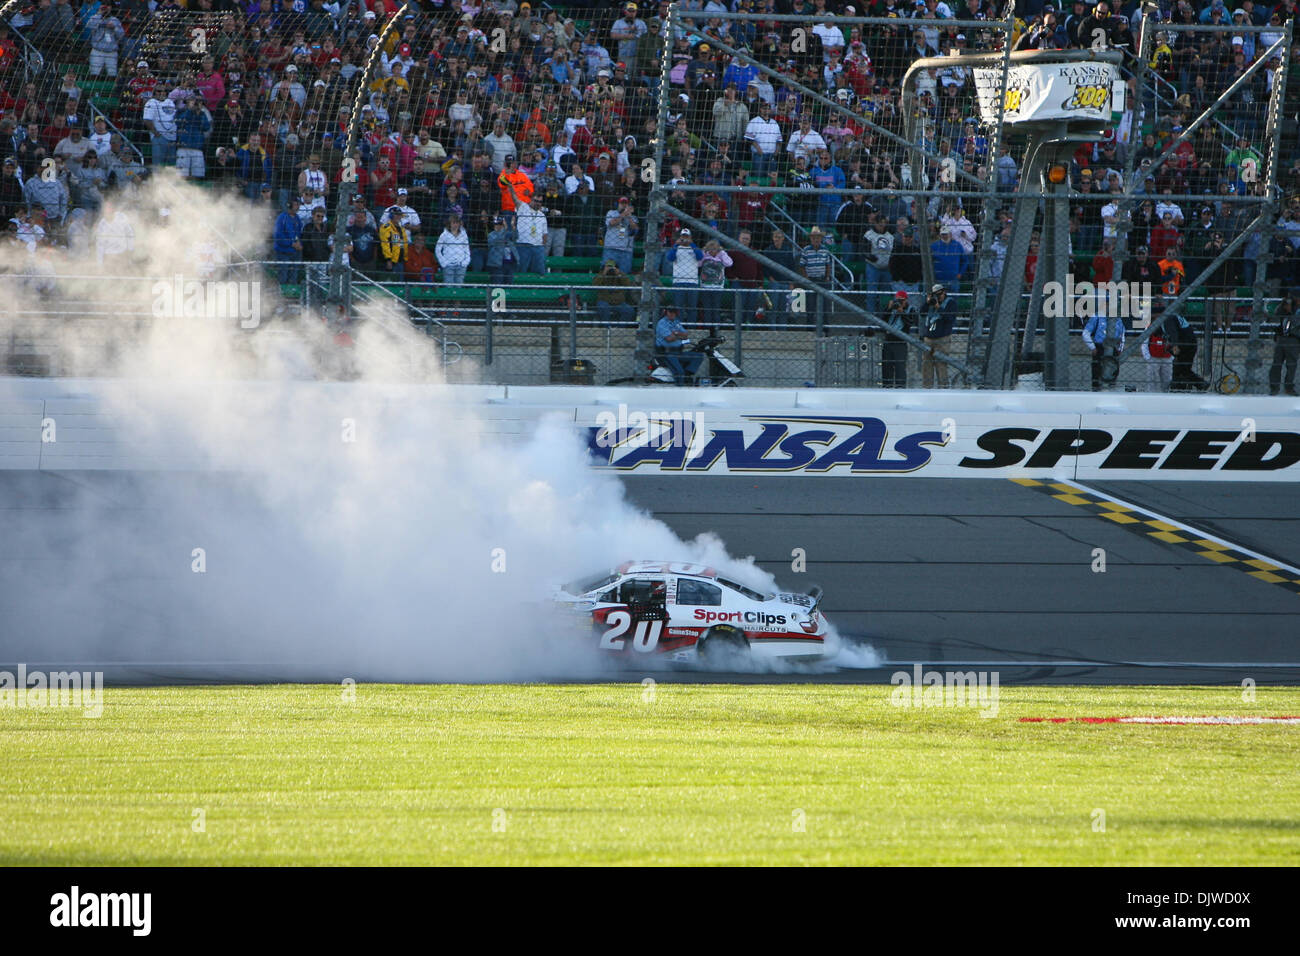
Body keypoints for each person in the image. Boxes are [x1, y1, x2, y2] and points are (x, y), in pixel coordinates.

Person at [920, 283, 956, 388]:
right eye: (935, 295)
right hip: (929, 338)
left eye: (939, 294)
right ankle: (927, 388)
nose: (937, 297)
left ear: (944, 292)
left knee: (941, 365)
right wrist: (927, 303)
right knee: (927, 365)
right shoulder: (930, 303)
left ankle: (943, 388)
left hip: (942, 338)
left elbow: (950, 319)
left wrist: (938, 307)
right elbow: (921, 313)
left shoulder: (950, 303)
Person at [655, 304, 701, 385]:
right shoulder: (662, 323)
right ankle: (679, 386)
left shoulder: (676, 322)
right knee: (679, 372)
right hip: (667, 353)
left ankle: (688, 374)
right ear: (666, 312)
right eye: (670, 312)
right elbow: (669, 339)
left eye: (674, 312)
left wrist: (675, 333)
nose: (672, 314)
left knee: (698, 356)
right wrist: (680, 335)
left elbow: (686, 335)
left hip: (678, 352)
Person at [666, 228, 703, 323]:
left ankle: (692, 327)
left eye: (687, 237)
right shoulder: (676, 248)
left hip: (692, 281)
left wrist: (692, 244)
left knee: (692, 307)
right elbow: (670, 258)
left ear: (690, 237)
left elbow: (700, 257)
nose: (684, 239)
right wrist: (676, 244)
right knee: (678, 307)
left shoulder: (694, 248)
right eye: (683, 237)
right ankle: (679, 326)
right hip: (678, 281)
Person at [1083, 311, 1126, 391]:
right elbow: (1085, 333)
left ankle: (1111, 390)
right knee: (1097, 372)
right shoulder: (1097, 316)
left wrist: (1120, 348)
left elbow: (1122, 334)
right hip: (1100, 347)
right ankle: (1096, 390)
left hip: (1114, 347)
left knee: (1113, 372)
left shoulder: (1118, 318)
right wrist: (1092, 347)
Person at [880, 291, 915, 388]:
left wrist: (901, 312)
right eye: (897, 300)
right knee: (887, 367)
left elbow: (910, 323)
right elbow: (882, 321)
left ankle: (900, 388)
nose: (899, 303)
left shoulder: (910, 309)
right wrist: (888, 308)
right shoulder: (891, 309)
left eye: (901, 300)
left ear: (906, 300)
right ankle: (887, 386)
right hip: (888, 340)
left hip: (900, 341)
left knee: (900, 367)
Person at [1268, 295, 1300, 396]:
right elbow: (1275, 321)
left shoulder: (1297, 313)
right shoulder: (1281, 311)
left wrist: (1291, 312)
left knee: (1291, 365)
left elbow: (1294, 325)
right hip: (1281, 338)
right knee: (1276, 364)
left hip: (1293, 340)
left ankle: (1289, 387)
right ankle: (1274, 387)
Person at [602, 196, 638, 276]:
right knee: (607, 272)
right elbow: (612, 223)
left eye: (626, 203)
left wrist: (628, 216)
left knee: (624, 274)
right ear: (618, 204)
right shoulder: (611, 213)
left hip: (626, 251)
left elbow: (635, 229)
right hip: (611, 248)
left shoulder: (633, 217)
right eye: (622, 203)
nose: (624, 205)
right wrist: (623, 214)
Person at [594, 259, 636, 325]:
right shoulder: (600, 275)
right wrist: (604, 274)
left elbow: (628, 284)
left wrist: (619, 274)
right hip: (604, 301)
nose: (610, 269)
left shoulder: (620, 274)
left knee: (629, 310)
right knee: (603, 307)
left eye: (612, 267)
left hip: (619, 302)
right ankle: (607, 328)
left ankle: (619, 329)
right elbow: (595, 285)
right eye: (608, 267)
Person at [273, 198, 304, 284]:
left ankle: (292, 294)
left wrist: (299, 244)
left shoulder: (297, 218)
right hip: (283, 252)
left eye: (299, 205)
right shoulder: (282, 218)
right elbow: (278, 236)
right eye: (296, 204)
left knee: (293, 276)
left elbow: (298, 234)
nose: (298, 207)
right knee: (283, 276)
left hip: (295, 252)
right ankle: (281, 295)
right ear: (289, 205)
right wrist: (291, 244)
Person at [435, 214, 472, 285]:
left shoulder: (464, 235)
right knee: (448, 287)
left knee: (459, 287)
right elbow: (437, 249)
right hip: (448, 265)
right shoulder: (444, 235)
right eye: (453, 223)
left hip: (461, 265)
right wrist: (444, 263)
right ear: (450, 224)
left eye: (457, 223)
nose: (455, 225)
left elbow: (467, 249)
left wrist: (465, 263)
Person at [486, 215, 519, 285]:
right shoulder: (491, 235)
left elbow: (515, 236)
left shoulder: (507, 234)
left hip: (509, 263)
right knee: (498, 284)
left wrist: (513, 226)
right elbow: (497, 240)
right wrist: (504, 230)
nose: (498, 226)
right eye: (496, 224)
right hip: (497, 264)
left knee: (509, 283)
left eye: (500, 224)